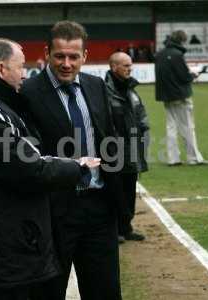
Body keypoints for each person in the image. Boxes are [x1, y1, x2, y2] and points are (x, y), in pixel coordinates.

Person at [0, 38, 100, 300]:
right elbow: (27, 169)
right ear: (1, 69)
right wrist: (76, 166)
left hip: (0, 246)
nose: (25, 73)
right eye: (20, 67)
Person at [21, 21, 122, 300]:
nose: (66, 63)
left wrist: (119, 197)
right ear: (47, 53)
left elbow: (110, 138)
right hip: (54, 212)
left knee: (105, 292)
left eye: (74, 56)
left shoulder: (96, 86)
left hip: (99, 208)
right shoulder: (28, 92)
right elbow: (28, 156)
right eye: (60, 56)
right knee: (47, 293)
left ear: (85, 57)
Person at [105, 52, 150, 243]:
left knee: (130, 188)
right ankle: (113, 230)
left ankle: (126, 227)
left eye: (130, 66)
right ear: (114, 67)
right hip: (114, 150)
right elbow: (104, 120)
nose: (129, 69)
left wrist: (144, 130)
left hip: (133, 148)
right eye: (125, 66)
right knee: (115, 190)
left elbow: (141, 113)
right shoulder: (104, 91)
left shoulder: (132, 90)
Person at [155, 30, 208, 166]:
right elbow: (184, 77)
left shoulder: (160, 54)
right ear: (182, 40)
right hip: (180, 95)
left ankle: (173, 159)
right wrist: (194, 75)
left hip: (166, 96)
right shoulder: (177, 55)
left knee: (171, 127)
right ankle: (193, 158)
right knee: (188, 127)